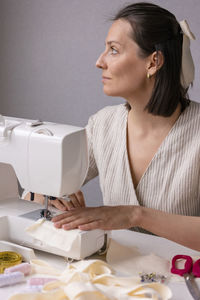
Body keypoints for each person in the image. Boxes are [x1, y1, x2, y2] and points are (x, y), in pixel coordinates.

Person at [27, 2, 200, 251]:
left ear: (153, 62)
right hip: (120, 280)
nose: (99, 61)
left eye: (114, 50)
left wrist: (134, 215)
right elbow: (37, 188)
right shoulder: (102, 125)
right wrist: (47, 196)